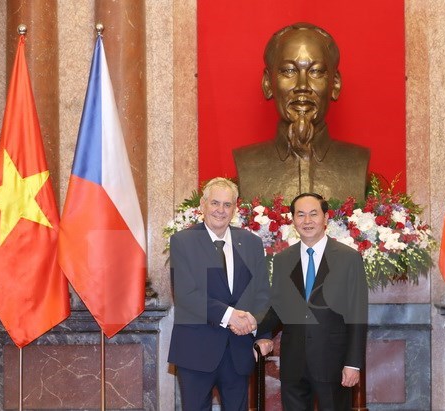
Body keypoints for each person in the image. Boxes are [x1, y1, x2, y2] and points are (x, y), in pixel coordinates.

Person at [233, 22, 370, 202]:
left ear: (335, 84)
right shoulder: (247, 163)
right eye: (289, 71)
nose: (302, 86)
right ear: (268, 83)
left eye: (316, 71)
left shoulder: (357, 162)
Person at [168, 177, 273, 411]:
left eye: (227, 205)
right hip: (196, 350)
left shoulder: (251, 242)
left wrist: (261, 332)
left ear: (235, 209)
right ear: (203, 205)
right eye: (215, 203)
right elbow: (186, 294)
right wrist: (230, 316)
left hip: (239, 351)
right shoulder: (183, 241)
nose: (220, 210)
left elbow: (262, 292)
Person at [257, 193, 368, 410]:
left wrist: (353, 363)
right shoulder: (282, 260)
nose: (307, 221)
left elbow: (357, 313)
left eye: (313, 214)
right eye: (301, 215)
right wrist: (254, 326)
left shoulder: (348, 258)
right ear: (293, 220)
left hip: (334, 363)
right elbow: (278, 307)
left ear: (325, 218)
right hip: (293, 363)